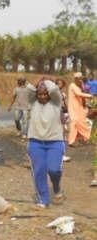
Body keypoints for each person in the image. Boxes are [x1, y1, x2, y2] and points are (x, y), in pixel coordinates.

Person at [26, 79, 65, 208]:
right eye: (40, 94)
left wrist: (46, 81)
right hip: (36, 142)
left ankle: (57, 187)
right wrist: (38, 83)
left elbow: (54, 89)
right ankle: (43, 199)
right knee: (39, 171)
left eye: (45, 94)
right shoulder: (32, 103)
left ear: (49, 94)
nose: (42, 97)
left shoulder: (56, 102)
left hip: (55, 141)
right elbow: (29, 89)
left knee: (54, 170)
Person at [67, 72, 93, 147]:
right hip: (73, 107)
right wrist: (90, 96)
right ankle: (71, 141)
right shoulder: (72, 85)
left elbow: (83, 93)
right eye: (79, 78)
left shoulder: (80, 85)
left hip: (80, 107)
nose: (80, 80)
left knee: (82, 122)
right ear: (76, 79)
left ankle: (84, 138)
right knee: (74, 122)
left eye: (81, 78)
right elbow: (78, 94)